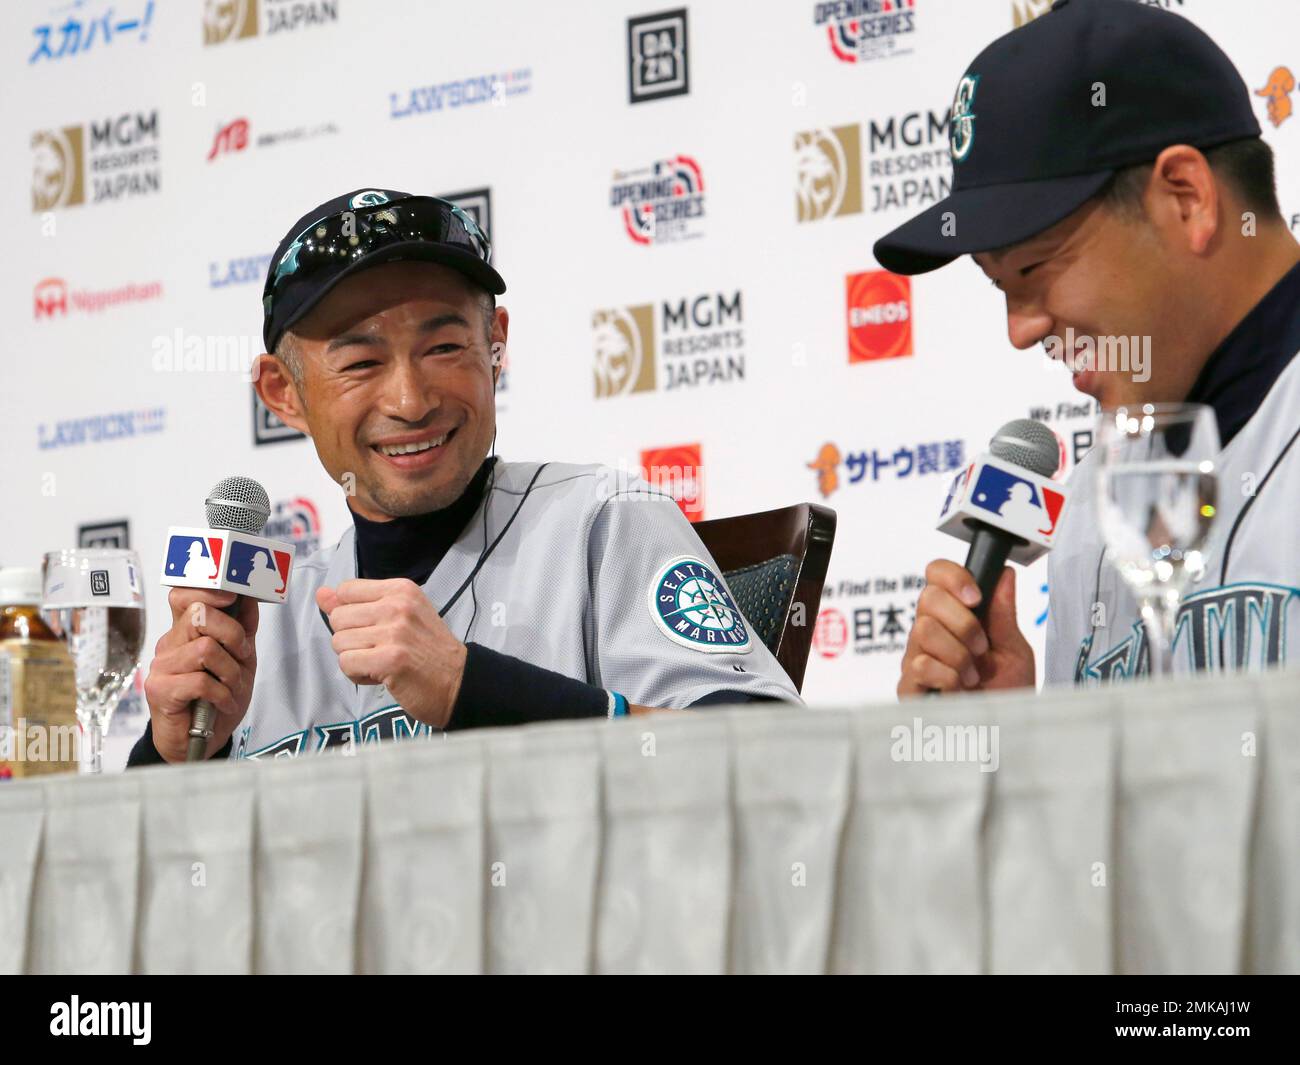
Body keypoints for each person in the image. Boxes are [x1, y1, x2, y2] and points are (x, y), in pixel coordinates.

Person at [130, 188, 799, 764]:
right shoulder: (260, 626)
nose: (411, 399)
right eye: (361, 362)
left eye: (444, 347)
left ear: (495, 345)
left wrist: (468, 687)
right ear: (284, 393)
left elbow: (778, 760)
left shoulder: (603, 521)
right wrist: (175, 752)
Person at [873, 0, 1300, 696]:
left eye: (1035, 268)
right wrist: (1025, 745)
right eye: (996, 284)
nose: (1020, 329)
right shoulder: (1103, 491)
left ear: (1187, 198)